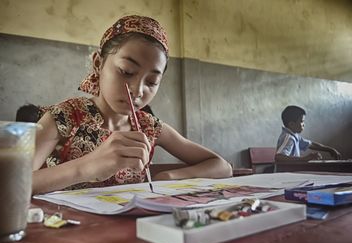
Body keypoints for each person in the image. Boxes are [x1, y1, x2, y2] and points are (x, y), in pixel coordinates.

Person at [32, 15, 232, 194]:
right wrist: (86, 167)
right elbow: (10, 182)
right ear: (98, 63)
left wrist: (169, 178)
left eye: (152, 82)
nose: (137, 91)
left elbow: (222, 166)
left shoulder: (149, 127)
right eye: (127, 71)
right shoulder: (65, 116)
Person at [275, 105, 341, 162]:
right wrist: (304, 159)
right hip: (285, 174)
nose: (304, 124)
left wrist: (330, 149)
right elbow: (279, 157)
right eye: (302, 121)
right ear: (291, 124)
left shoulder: (295, 136)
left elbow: (311, 144)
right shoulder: (288, 138)